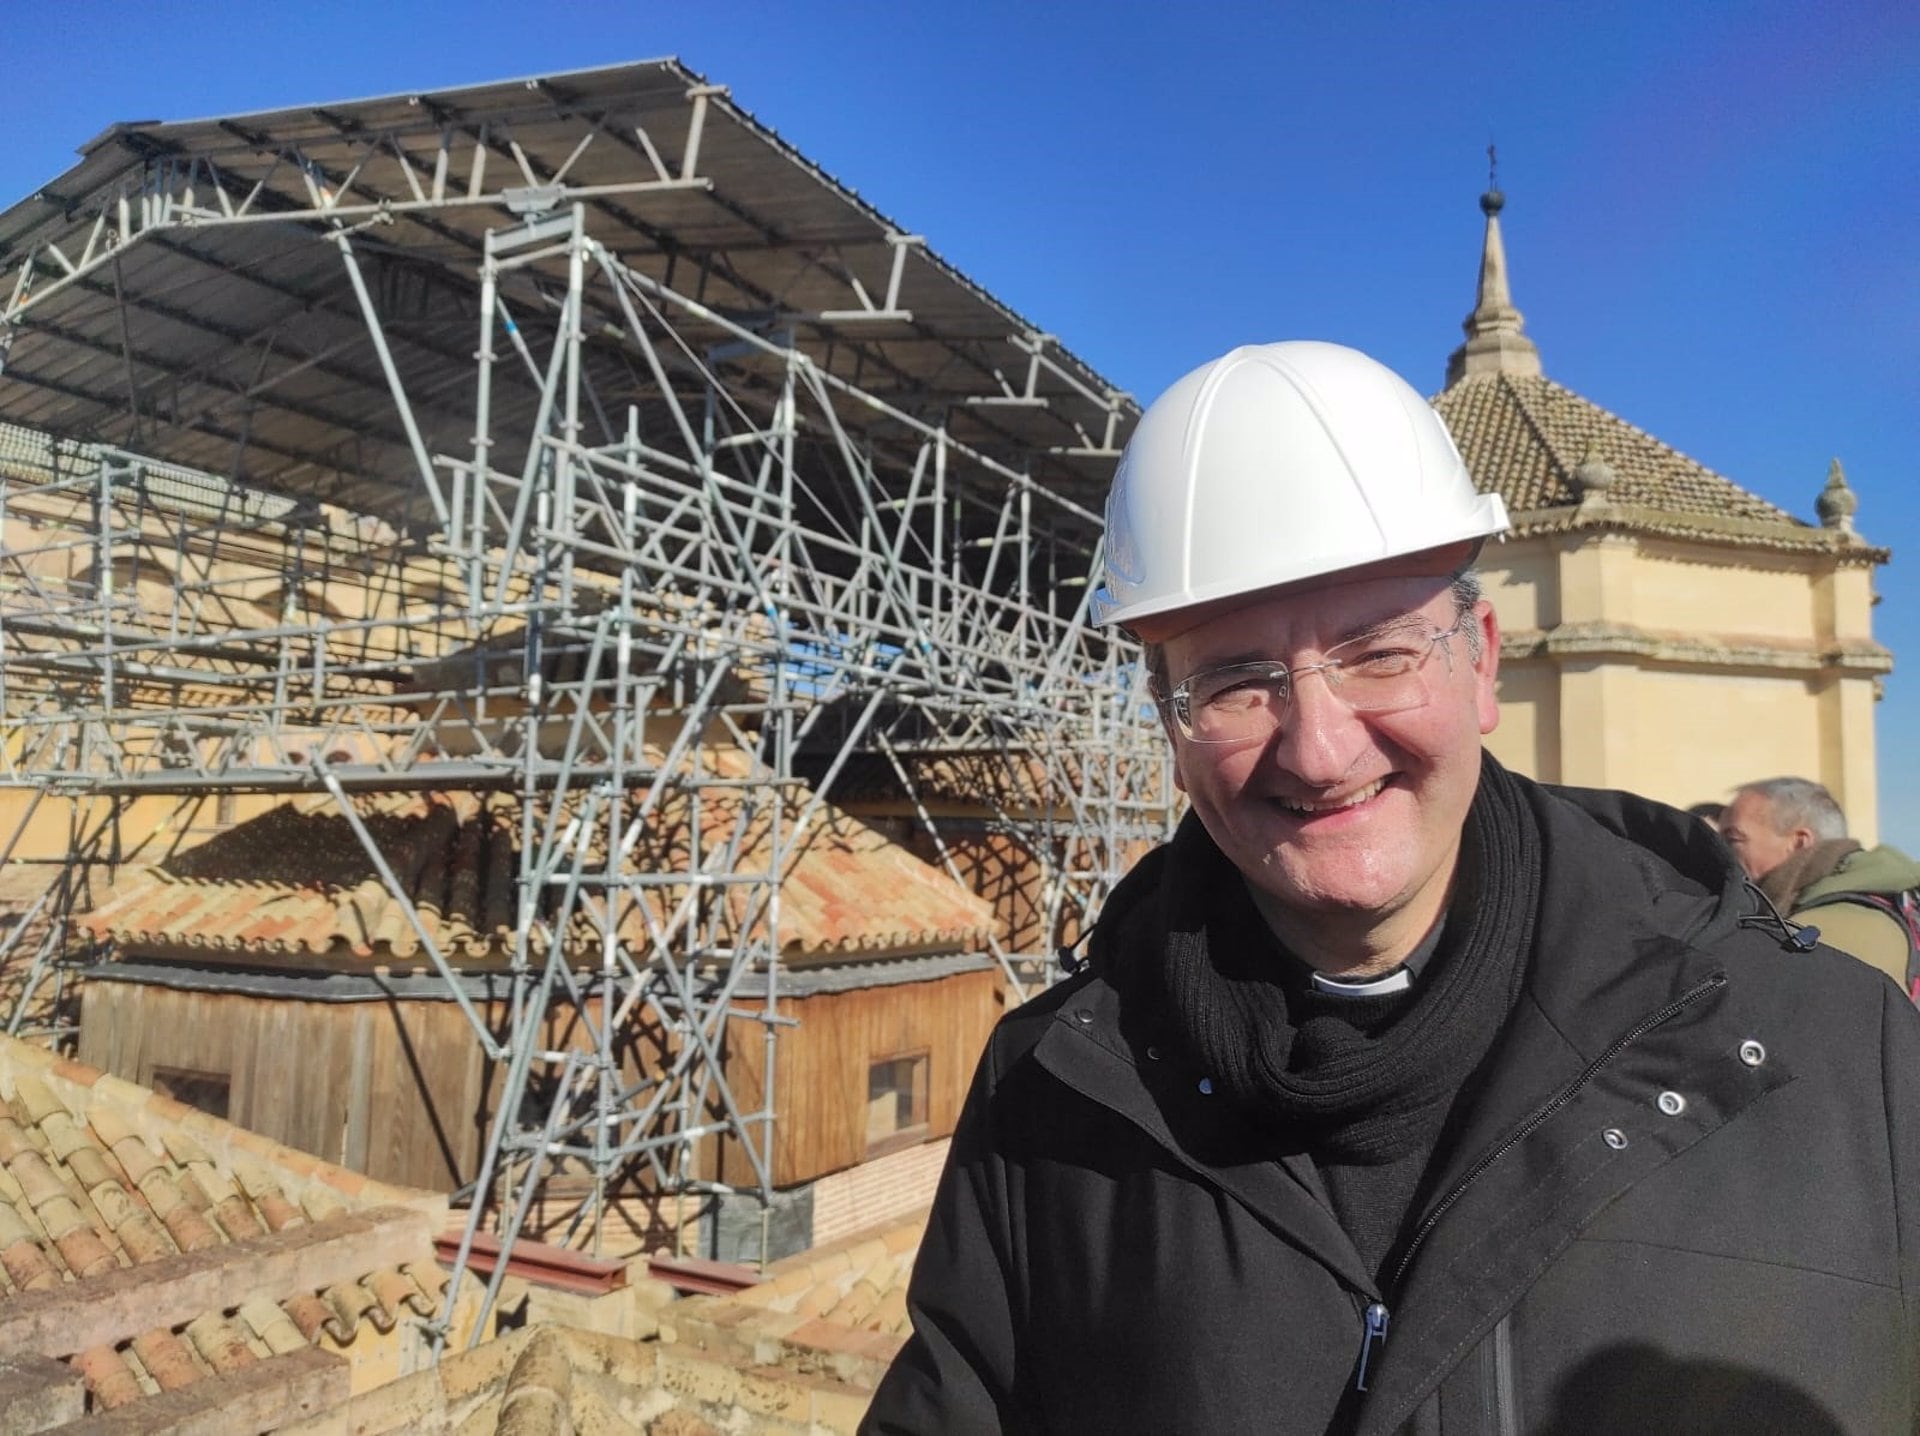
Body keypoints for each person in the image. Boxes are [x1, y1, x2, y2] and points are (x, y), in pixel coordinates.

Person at [863, 342, 1920, 1434]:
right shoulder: (1050, 1090)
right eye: (1235, 679)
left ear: (1482, 661)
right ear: (1168, 720)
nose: (1319, 751)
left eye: (1379, 653)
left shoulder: (1846, 1054)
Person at [1721, 776, 1920, 993]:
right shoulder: (1883, 893)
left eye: (1733, 839)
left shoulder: (1827, 931)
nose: (1720, 851)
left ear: (1799, 842)